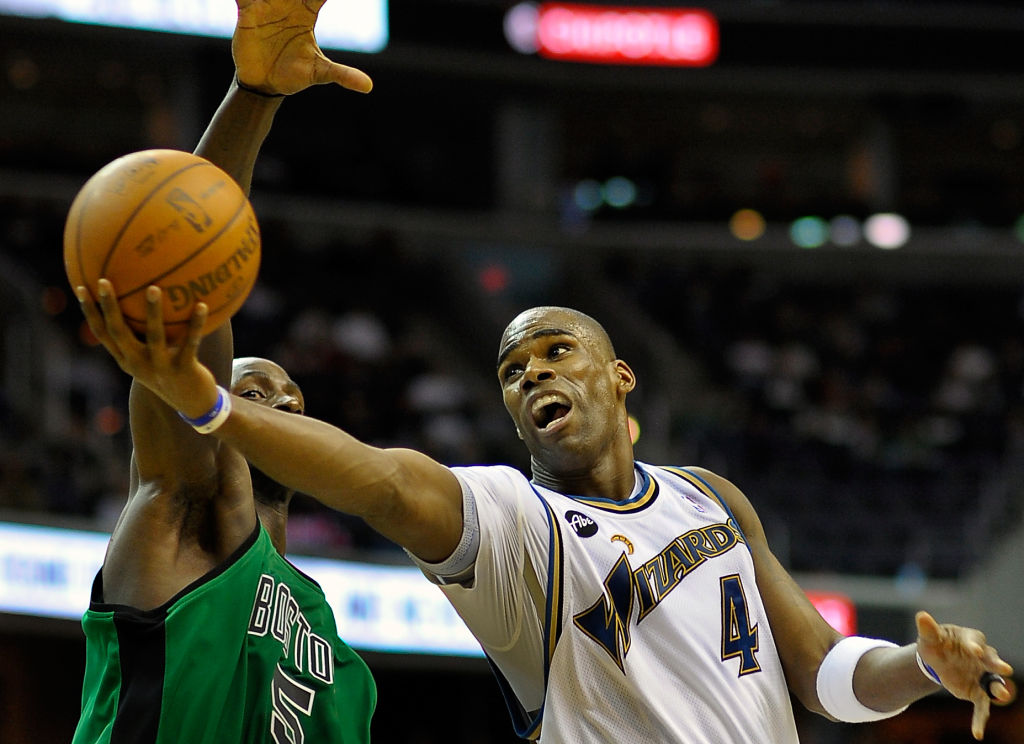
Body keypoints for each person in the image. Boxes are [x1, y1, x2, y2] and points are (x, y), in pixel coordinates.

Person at [77, 59, 1014, 744]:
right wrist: (207, 404)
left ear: (621, 375)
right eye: (513, 371)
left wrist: (924, 668)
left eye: (557, 352)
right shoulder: (518, 523)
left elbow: (828, 677)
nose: (533, 375)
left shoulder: (712, 499)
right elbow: (381, 484)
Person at [70, 2, 376, 743]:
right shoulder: (180, 513)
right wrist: (256, 96)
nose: (281, 404)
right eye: (252, 390)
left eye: (292, 399)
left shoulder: (335, 647)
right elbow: (195, 279)